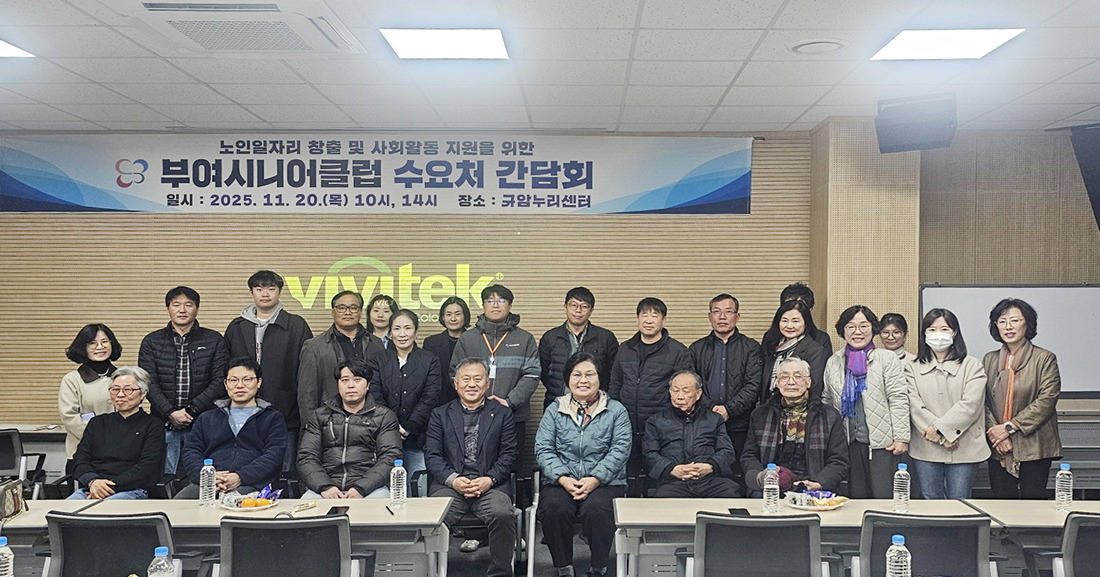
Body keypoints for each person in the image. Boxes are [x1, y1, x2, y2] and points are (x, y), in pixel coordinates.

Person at [535, 352, 631, 577]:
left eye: (590, 374)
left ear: (600, 378)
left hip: (605, 482)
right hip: (561, 481)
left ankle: (598, 567)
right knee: (554, 509)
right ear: (568, 379)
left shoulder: (616, 411)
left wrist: (595, 479)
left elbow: (620, 449)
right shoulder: (554, 410)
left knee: (596, 510)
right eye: (576, 375)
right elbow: (543, 449)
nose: (583, 380)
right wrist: (563, 478)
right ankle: (564, 568)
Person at [425, 358, 517, 577]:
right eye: (466, 379)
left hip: (490, 486)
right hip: (450, 486)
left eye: (478, 379)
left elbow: (509, 455)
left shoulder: (503, 414)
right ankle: (434, 572)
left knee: (502, 514)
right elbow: (432, 456)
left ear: (487, 384)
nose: (472, 384)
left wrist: (489, 479)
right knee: (431, 517)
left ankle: (501, 573)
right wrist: (454, 480)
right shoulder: (440, 414)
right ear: (456, 384)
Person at [224, 270, 313, 472]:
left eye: (271, 289)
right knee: (247, 468)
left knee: (284, 470)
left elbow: (306, 369)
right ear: (251, 292)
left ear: (279, 292)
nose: (265, 294)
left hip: (285, 410)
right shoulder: (237, 326)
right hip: (243, 411)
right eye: (259, 289)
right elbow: (225, 367)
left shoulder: (296, 325)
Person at [450, 284, 539, 478]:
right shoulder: (468, 338)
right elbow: (454, 374)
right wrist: (476, 402)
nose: (495, 305)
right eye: (490, 301)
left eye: (501, 301)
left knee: (511, 467)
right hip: (472, 415)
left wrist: (509, 401)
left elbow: (532, 374)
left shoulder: (524, 338)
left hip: (513, 415)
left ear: (510, 305)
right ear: (483, 305)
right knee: (472, 466)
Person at [139, 286, 230, 475]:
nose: (182, 310)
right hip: (164, 422)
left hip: (203, 421)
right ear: (168, 308)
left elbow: (219, 381)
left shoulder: (214, 339)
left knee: (202, 475)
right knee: (165, 476)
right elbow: (148, 383)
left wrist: (190, 410)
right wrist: (170, 412)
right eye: (176, 304)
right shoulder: (152, 341)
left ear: (197, 308)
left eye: (188, 305)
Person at [608, 297, 693, 496]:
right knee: (629, 479)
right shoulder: (624, 349)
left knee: (659, 481)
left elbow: (684, 389)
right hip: (627, 425)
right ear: (637, 319)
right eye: (644, 314)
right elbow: (615, 384)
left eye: (655, 315)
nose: (648, 320)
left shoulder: (678, 351)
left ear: (663, 320)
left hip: (662, 428)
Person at [822, 305, 909, 499]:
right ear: (843, 330)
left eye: (863, 326)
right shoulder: (834, 361)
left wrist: (901, 438)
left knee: (884, 497)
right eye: (851, 327)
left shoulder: (886, 359)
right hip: (847, 442)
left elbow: (898, 398)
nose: (857, 332)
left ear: (873, 328)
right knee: (855, 497)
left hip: (882, 443)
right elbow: (827, 400)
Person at [906, 308, 989, 499]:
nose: (938, 335)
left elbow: (970, 405)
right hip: (927, 447)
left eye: (944, 329)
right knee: (930, 501)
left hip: (964, 447)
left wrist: (941, 430)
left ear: (954, 332)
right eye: (932, 330)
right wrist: (942, 437)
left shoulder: (972, 365)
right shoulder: (912, 368)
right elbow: (914, 406)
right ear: (924, 334)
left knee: (960, 502)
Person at [983, 298, 1062, 499]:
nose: (1008, 327)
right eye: (1002, 321)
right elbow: (982, 401)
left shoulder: (1044, 358)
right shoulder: (989, 359)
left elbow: (1047, 400)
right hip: (998, 445)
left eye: (1015, 320)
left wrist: (1009, 428)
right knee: (1002, 504)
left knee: (1032, 504)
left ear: (1027, 324)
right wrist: (996, 434)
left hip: (1034, 446)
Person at [176, 357, 288, 498]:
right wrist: (207, 476)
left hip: (252, 484)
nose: (239, 385)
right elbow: (191, 451)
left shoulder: (272, 418)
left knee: (235, 506)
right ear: (225, 384)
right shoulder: (207, 418)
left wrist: (240, 476)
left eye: (247, 379)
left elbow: (273, 455)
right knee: (175, 506)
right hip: (208, 483)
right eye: (233, 380)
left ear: (258, 382)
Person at [741, 358, 848, 496]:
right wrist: (762, 477)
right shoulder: (760, 414)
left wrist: (818, 483)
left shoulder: (828, 415)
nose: (791, 382)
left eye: (798, 376)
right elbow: (749, 455)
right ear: (777, 383)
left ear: (808, 382)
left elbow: (839, 461)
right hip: (771, 485)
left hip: (813, 485)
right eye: (784, 377)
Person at [298, 359, 401, 499]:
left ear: (368, 385)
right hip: (325, 488)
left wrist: (361, 488)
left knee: (378, 507)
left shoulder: (383, 416)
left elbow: (390, 457)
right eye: (345, 380)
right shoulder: (320, 415)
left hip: (370, 489)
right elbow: (306, 457)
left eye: (357, 380)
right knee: (307, 509)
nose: (351, 385)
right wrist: (325, 486)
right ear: (338, 384)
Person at [688, 294, 763, 476]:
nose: (722, 317)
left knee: (738, 475)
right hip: (704, 423)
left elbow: (753, 385)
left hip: (740, 425)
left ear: (737, 316)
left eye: (728, 312)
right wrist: (711, 408)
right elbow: (692, 385)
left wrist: (729, 409)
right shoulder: (696, 348)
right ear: (710, 317)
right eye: (716, 312)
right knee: (706, 474)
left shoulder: (751, 347)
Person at [68, 367, 166, 500]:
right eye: (115, 389)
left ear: (143, 393)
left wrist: (107, 488)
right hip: (93, 487)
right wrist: (92, 481)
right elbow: (80, 459)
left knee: (105, 509)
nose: (120, 395)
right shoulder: (97, 423)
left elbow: (147, 468)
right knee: (66, 509)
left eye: (128, 390)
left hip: (132, 489)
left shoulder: (153, 425)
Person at [369, 309, 441, 483]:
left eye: (407, 328)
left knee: (416, 488)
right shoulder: (378, 359)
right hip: (383, 438)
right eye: (397, 328)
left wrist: (408, 426)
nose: (402, 334)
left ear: (416, 332)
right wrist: (392, 426)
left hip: (418, 438)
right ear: (390, 333)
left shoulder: (429, 360)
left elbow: (430, 398)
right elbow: (374, 394)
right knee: (386, 486)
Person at [642, 371, 740, 498]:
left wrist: (710, 466)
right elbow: (649, 454)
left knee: (731, 493)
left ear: (698, 394)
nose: (680, 397)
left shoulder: (714, 419)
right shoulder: (656, 421)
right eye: (675, 391)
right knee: (663, 498)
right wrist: (671, 469)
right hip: (673, 482)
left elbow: (727, 451)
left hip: (709, 481)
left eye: (686, 391)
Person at [297, 290, 385, 423]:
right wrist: (311, 426)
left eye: (353, 308)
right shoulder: (315, 346)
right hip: (329, 422)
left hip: (370, 421)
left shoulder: (376, 343)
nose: (347, 312)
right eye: (341, 308)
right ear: (333, 312)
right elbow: (307, 394)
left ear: (360, 312)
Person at [538, 287, 619, 413]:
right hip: (558, 404)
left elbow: (613, 373)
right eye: (573, 305)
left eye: (584, 306)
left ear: (591, 311)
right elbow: (544, 373)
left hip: (596, 407)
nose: (578, 310)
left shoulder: (606, 338)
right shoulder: (550, 337)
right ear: (565, 307)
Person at [59, 324, 122, 460]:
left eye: (104, 341)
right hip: (85, 453)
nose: (100, 347)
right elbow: (69, 417)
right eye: (92, 343)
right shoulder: (72, 380)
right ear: (83, 347)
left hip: (121, 452)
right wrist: (100, 440)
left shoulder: (123, 377)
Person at [760, 300, 828, 404]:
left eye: (795, 321)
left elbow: (815, 388)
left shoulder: (815, 351)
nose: (789, 326)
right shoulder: (771, 346)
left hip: (799, 409)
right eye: (784, 320)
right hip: (769, 407)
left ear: (806, 323)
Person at [423, 296, 471, 407]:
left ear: (465, 316)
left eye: (458, 314)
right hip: (439, 402)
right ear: (443, 317)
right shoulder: (431, 343)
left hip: (469, 400)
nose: (453, 318)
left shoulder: (475, 340)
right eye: (448, 314)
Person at [779, 282, 833, 349]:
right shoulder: (770, 338)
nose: (794, 309)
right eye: (789, 305)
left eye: (801, 305)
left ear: (810, 309)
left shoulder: (821, 339)